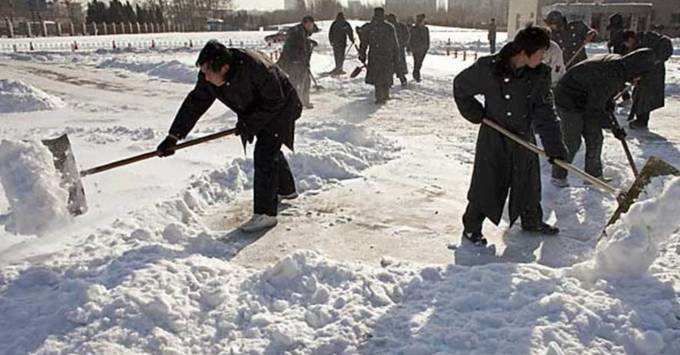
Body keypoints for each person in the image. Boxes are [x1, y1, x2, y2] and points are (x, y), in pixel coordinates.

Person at [157, 41, 302, 233]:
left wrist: (250, 122)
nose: (205, 77)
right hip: (257, 109)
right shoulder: (210, 74)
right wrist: (173, 136)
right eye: (203, 71)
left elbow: (274, 100)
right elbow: (195, 103)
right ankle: (286, 190)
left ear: (224, 68)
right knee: (269, 147)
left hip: (282, 106)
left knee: (266, 151)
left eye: (208, 72)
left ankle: (266, 214)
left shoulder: (256, 67)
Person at [453, 25, 569, 246]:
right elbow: (461, 86)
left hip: (523, 137)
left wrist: (555, 148)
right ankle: (472, 227)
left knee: (528, 182)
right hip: (493, 135)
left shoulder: (539, 75)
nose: (544, 57)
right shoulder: (489, 67)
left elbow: (545, 111)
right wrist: (477, 114)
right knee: (486, 183)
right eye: (541, 53)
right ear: (524, 52)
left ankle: (532, 221)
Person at [551, 49, 656, 187]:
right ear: (637, 70)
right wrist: (614, 128)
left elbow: (602, 98)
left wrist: (610, 111)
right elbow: (596, 109)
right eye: (640, 77)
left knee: (595, 137)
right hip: (568, 99)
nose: (637, 81)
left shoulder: (620, 66)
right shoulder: (612, 74)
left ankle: (593, 176)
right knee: (572, 140)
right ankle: (558, 177)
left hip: (586, 97)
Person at [619, 30, 673, 130]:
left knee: (645, 97)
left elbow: (666, 44)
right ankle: (640, 119)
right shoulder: (636, 45)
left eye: (627, 43)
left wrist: (656, 59)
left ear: (631, 38)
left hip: (654, 73)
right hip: (644, 73)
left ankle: (642, 121)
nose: (627, 45)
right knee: (637, 95)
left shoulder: (647, 37)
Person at [358, 8, 400, 104]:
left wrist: (362, 54)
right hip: (386, 55)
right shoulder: (389, 27)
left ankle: (379, 96)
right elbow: (395, 44)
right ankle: (385, 94)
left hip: (375, 55)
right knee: (386, 75)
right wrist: (396, 56)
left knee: (378, 77)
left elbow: (364, 43)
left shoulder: (371, 27)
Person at [277, 16, 316, 109]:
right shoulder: (298, 32)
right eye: (310, 25)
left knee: (305, 81)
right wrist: (299, 60)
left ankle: (302, 101)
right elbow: (295, 48)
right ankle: (294, 103)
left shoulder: (301, 31)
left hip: (298, 61)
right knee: (295, 82)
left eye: (312, 25)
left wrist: (309, 43)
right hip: (294, 62)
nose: (311, 27)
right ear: (305, 23)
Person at [387, 13, 410, 87]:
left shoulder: (389, 27)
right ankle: (402, 80)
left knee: (390, 66)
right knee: (398, 66)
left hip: (391, 49)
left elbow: (407, 35)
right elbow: (407, 35)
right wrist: (403, 44)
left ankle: (390, 82)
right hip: (398, 49)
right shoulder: (401, 26)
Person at [409, 13, 430, 82]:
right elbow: (410, 38)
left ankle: (416, 74)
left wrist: (427, 46)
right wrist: (409, 46)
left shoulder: (425, 29)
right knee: (417, 62)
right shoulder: (413, 28)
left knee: (419, 62)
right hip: (415, 48)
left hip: (423, 49)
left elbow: (427, 38)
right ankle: (416, 75)